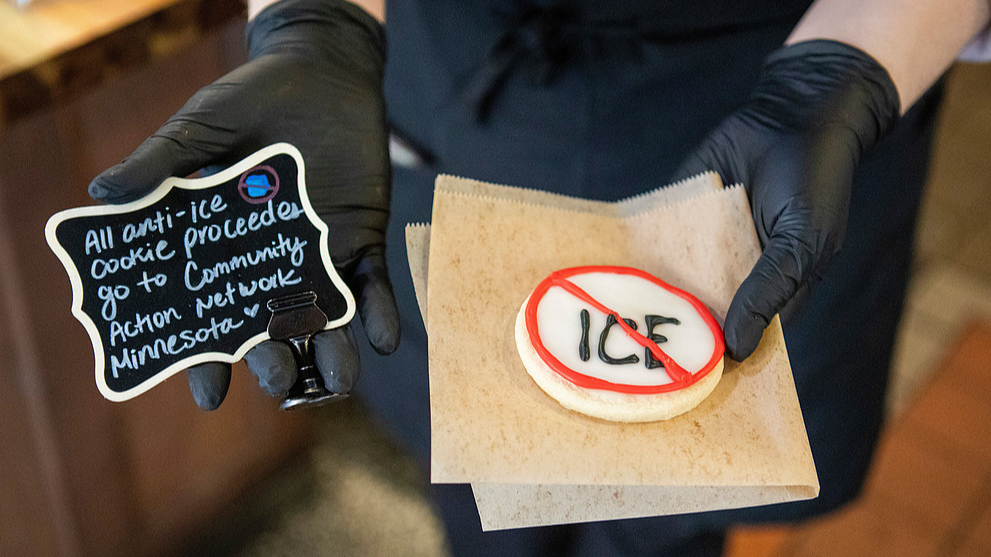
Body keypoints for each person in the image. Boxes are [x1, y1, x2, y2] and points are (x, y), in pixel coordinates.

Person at [87, 0, 991, 554]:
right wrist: (314, 21)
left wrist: (844, 73)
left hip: (774, 102)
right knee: (478, 479)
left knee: (672, 504)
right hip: (437, 73)